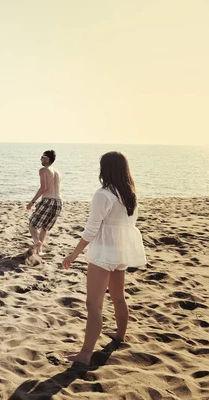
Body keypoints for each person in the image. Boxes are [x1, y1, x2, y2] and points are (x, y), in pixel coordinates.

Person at [62, 151, 146, 365]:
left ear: (105, 169)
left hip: (103, 254)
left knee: (94, 305)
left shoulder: (103, 194)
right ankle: (120, 336)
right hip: (121, 252)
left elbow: (91, 230)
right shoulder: (130, 194)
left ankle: (85, 354)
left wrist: (73, 254)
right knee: (119, 297)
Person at [26, 150, 62, 254]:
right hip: (59, 203)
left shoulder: (43, 170)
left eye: (42, 157)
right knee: (44, 227)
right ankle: (39, 251)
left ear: (47, 159)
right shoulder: (58, 172)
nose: (40, 159)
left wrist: (32, 202)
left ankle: (37, 242)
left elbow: (43, 188)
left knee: (32, 225)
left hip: (48, 200)